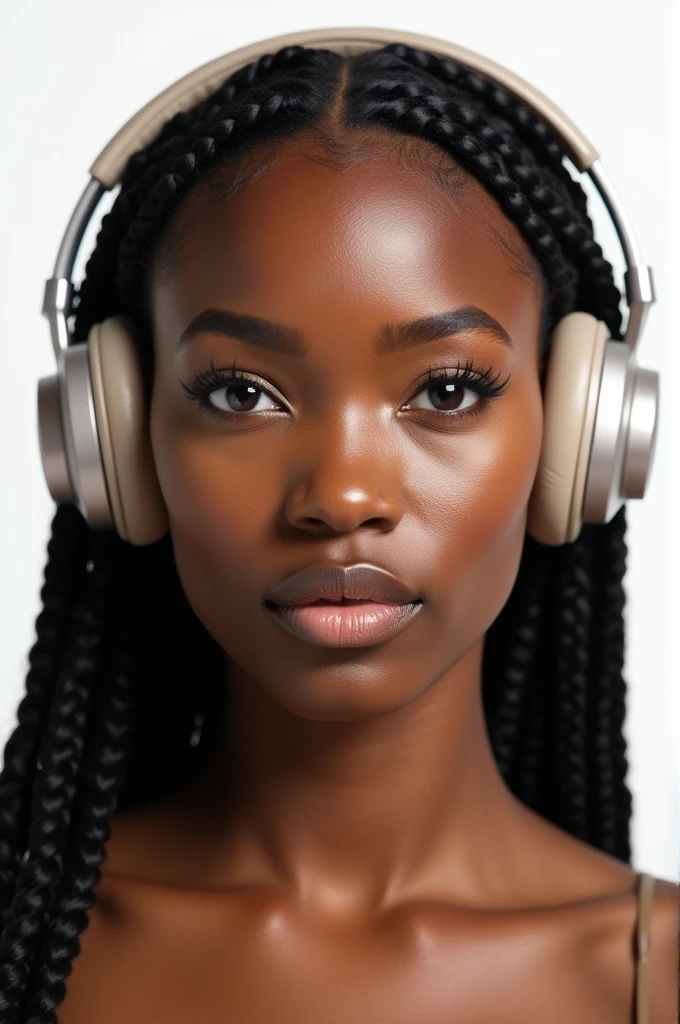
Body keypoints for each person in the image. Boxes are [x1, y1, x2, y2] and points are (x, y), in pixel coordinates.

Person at [0, 30, 677, 1024]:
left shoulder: (649, 977)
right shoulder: (24, 945)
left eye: (445, 388)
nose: (341, 494)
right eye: (240, 392)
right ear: (118, 438)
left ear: (581, 431)